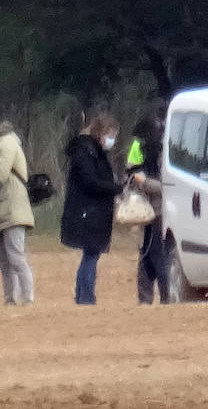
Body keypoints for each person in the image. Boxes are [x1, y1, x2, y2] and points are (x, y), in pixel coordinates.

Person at [61, 111, 123, 305]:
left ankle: (84, 296)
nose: (112, 140)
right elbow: (91, 182)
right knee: (91, 256)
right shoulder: (85, 152)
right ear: (102, 132)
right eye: (110, 135)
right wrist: (116, 188)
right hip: (88, 213)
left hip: (93, 212)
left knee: (91, 256)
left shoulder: (93, 151)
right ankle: (85, 297)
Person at [0, 114, 35, 306]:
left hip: (13, 210)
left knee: (16, 257)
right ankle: (10, 299)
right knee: (4, 262)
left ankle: (28, 298)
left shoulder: (6, 143)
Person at [128, 113, 169, 304]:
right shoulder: (145, 150)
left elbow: (168, 186)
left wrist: (144, 183)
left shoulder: (165, 154)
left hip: (160, 212)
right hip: (148, 212)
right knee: (147, 256)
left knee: (158, 258)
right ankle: (145, 300)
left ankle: (165, 298)